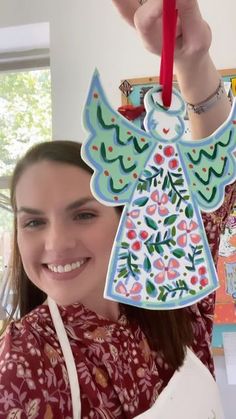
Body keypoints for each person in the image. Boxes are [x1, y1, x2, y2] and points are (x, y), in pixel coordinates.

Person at [0, 1, 235, 418]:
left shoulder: (171, 302)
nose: (56, 243)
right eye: (33, 221)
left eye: (83, 214)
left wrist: (190, 58)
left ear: (125, 220)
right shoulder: (29, 356)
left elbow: (220, 188)